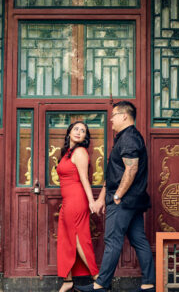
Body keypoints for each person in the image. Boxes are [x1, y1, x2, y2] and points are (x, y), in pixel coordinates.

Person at [76, 101, 155, 292]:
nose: (110, 120)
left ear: (124, 116)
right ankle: (149, 284)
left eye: (113, 115)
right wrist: (103, 197)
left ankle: (100, 285)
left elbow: (131, 168)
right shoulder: (125, 137)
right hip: (132, 201)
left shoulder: (129, 138)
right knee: (139, 239)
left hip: (124, 201)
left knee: (112, 240)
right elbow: (115, 172)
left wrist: (117, 196)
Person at [56, 121, 100, 292]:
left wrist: (91, 202)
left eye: (83, 131)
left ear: (84, 138)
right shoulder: (67, 152)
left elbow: (84, 179)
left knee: (78, 238)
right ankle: (67, 280)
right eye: (76, 129)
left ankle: (98, 278)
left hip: (76, 200)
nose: (79, 132)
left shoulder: (80, 152)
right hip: (68, 201)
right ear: (69, 132)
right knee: (66, 239)